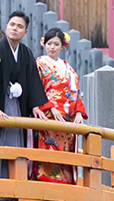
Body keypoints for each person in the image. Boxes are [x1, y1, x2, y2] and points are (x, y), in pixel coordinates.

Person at [0, 10, 50, 178]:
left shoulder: (26, 53)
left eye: (20, 26)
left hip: (17, 106)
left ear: (25, 32)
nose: (15, 29)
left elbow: (32, 80)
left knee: (16, 145)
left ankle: (15, 186)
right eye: (12, 24)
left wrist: (35, 106)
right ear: (6, 26)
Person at [32, 27, 87, 184]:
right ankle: (48, 188)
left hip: (68, 117)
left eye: (56, 44)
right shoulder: (40, 64)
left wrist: (78, 113)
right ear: (44, 44)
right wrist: (50, 107)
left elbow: (76, 91)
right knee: (48, 151)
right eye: (49, 43)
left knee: (66, 153)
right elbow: (36, 88)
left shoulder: (69, 69)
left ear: (63, 46)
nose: (52, 47)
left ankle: (66, 188)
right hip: (48, 114)